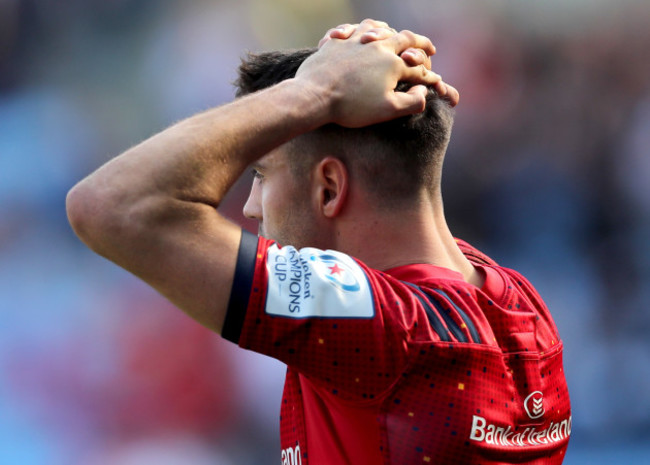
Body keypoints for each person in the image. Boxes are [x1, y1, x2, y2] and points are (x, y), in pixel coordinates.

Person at [67, 19, 571, 465]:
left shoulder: (384, 328)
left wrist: (318, 91)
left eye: (262, 175)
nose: (250, 207)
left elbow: (110, 205)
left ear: (328, 188)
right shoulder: (521, 307)